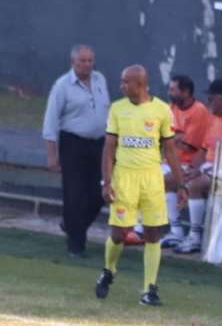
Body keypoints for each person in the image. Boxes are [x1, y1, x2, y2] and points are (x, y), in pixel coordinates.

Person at [95, 65, 187, 306]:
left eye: (126, 82)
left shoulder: (162, 110)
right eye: (122, 81)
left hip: (151, 178)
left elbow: (170, 151)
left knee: (153, 233)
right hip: (124, 177)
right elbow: (109, 149)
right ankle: (109, 269)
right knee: (119, 234)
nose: (121, 86)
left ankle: (149, 290)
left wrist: (181, 185)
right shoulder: (117, 109)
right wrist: (107, 182)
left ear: (140, 85)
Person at [42, 44, 111, 258]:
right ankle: (76, 246)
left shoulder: (100, 80)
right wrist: (52, 155)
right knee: (74, 194)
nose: (87, 64)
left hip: (99, 144)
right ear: (73, 62)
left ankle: (72, 225)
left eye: (90, 60)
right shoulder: (62, 86)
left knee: (101, 192)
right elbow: (51, 121)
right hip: (73, 144)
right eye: (83, 61)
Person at [174, 79, 222, 254]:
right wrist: (193, 169)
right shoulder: (213, 118)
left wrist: (202, 172)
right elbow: (203, 149)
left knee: (195, 184)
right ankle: (176, 232)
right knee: (176, 179)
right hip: (211, 169)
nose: (208, 102)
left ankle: (195, 237)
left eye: (211, 98)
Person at [160, 74, 210, 249]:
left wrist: (173, 140)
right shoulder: (170, 108)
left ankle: (189, 234)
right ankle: (143, 228)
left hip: (190, 164)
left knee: (164, 180)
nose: (170, 92)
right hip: (169, 161)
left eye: (173, 89)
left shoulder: (199, 110)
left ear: (186, 92)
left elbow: (190, 146)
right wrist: (175, 139)